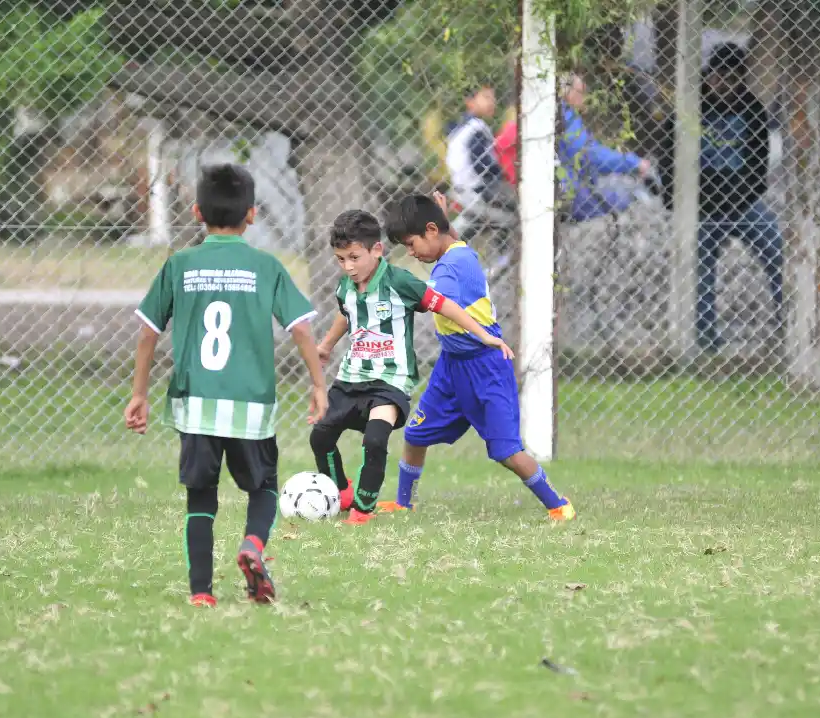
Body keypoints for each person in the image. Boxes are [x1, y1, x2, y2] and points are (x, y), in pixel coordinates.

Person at [124, 163, 329, 608]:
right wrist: (318, 384)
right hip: (250, 407)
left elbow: (147, 333)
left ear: (197, 212)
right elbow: (301, 330)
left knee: (201, 495)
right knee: (264, 487)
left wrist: (139, 393)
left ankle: (201, 593)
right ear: (251, 214)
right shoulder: (265, 266)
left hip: (196, 404)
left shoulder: (179, 264)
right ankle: (253, 546)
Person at [377, 194, 576, 522]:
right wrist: (445, 222)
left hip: (486, 366)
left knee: (507, 452)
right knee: (415, 435)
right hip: (451, 367)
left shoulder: (451, 268)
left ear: (430, 231)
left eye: (411, 244)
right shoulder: (456, 249)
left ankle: (557, 505)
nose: (410, 253)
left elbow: (435, 300)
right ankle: (404, 503)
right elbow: (454, 240)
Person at [311, 209, 514, 526]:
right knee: (320, 437)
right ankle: (342, 491)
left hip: (389, 383)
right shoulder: (345, 287)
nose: (348, 267)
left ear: (376, 250)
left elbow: (445, 304)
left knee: (375, 441)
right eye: (340, 259)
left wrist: (484, 334)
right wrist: (325, 345)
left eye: (354, 257)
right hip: (351, 378)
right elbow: (346, 313)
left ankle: (363, 510)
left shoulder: (399, 282)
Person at [660, 42, 782, 352]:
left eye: (731, 79)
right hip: (701, 206)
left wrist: (740, 197)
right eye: (718, 77)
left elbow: (758, 165)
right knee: (700, 269)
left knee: (776, 249)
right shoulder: (692, 105)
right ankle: (705, 342)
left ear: (741, 80)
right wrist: (674, 199)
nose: (722, 85)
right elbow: (666, 153)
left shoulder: (752, 108)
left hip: (742, 203)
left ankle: (789, 323)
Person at [557, 72, 653, 222]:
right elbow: (590, 154)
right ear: (569, 93)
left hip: (570, 187)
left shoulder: (563, 115)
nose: (586, 98)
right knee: (633, 194)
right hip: (573, 194)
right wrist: (633, 163)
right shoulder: (565, 118)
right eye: (581, 92)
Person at [445, 83, 520, 239]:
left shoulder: (462, 127)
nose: (492, 102)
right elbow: (482, 164)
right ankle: (502, 259)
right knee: (514, 218)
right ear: (470, 102)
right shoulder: (477, 127)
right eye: (486, 97)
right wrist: (500, 175)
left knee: (470, 224)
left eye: (493, 98)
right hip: (477, 189)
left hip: (462, 188)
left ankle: (446, 247)